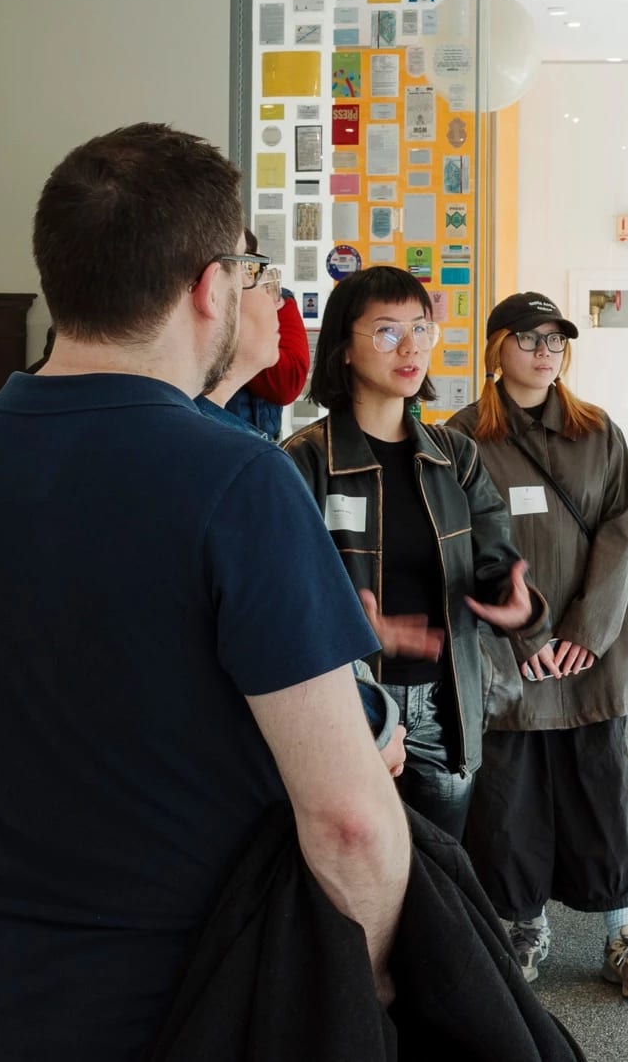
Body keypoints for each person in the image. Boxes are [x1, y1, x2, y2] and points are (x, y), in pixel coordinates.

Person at [0, 123, 409, 1060]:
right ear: (211, 286)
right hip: (218, 1003)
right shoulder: (239, 481)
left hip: (15, 1003)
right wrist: (367, 987)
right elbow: (351, 820)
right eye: (248, 271)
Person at [447, 292, 628, 1005]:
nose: (545, 352)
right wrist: (528, 637)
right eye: (529, 338)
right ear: (496, 349)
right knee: (509, 798)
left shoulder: (597, 431)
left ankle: (625, 934)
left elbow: (619, 534)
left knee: (602, 788)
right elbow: (464, 548)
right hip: (507, 654)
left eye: (555, 340)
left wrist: (581, 634)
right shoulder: (460, 438)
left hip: (588, 656)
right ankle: (523, 923)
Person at [284, 266, 542, 842]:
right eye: (385, 332)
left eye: (422, 329)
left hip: (443, 700)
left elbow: (495, 560)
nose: (410, 347)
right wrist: (354, 626)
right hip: (349, 704)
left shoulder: (455, 455)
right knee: (354, 868)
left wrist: (512, 602)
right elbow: (281, 595)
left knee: (441, 870)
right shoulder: (303, 462)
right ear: (343, 350)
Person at [200, 232, 407, 779]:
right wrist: (375, 725)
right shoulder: (261, 466)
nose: (280, 298)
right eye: (261, 278)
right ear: (210, 292)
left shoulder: (452, 452)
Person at [220, 230, 310, 439]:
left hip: (258, 437)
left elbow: (287, 382)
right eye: (255, 270)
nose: (264, 281)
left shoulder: (277, 298)